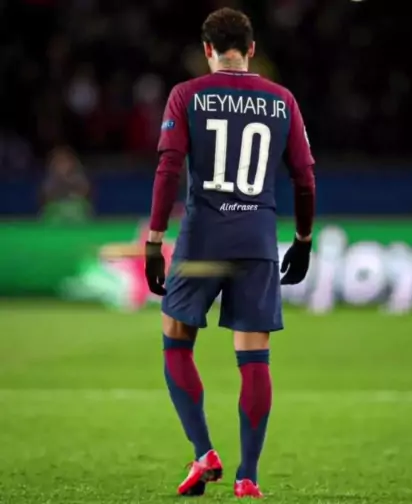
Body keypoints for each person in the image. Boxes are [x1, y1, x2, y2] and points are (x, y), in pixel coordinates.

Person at [144, 7, 315, 499]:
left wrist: (154, 240)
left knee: (176, 341)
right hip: (256, 242)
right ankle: (249, 477)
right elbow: (305, 177)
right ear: (252, 49)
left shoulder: (187, 95)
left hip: (202, 241)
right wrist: (303, 239)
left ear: (207, 50)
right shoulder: (282, 101)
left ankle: (204, 454)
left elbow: (168, 168)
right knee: (254, 358)